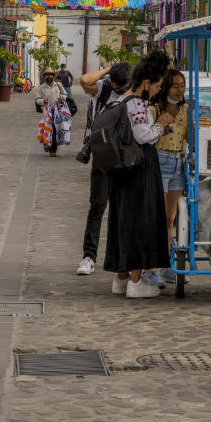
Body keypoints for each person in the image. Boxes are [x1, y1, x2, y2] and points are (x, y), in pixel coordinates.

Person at [103, 51, 173, 299]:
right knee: (140, 221)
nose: (157, 91)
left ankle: (120, 279)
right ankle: (136, 280)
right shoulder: (137, 104)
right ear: (147, 83)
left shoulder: (119, 100)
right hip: (139, 170)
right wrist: (162, 123)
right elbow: (143, 135)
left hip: (123, 171)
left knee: (123, 219)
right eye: (157, 85)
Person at [74, 62, 133, 276]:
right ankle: (89, 257)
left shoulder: (135, 92)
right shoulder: (104, 88)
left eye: (123, 86)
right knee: (97, 207)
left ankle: (122, 258)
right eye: (117, 86)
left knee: (125, 209)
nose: (120, 91)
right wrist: (107, 70)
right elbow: (84, 81)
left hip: (128, 156)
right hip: (104, 155)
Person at [150, 69, 190, 282]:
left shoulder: (185, 109)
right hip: (159, 160)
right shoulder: (155, 109)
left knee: (169, 219)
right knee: (155, 218)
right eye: (175, 85)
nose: (179, 89)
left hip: (178, 163)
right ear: (165, 87)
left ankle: (166, 265)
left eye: (182, 85)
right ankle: (149, 268)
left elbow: (189, 138)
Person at [37, 71, 68, 157]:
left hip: (57, 112)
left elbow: (65, 94)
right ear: (44, 77)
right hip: (46, 113)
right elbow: (37, 99)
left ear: (53, 76)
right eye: (47, 75)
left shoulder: (58, 85)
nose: (49, 76)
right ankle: (46, 145)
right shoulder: (41, 87)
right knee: (47, 130)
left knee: (55, 131)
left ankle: (53, 149)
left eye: (50, 75)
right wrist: (43, 101)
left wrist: (62, 97)